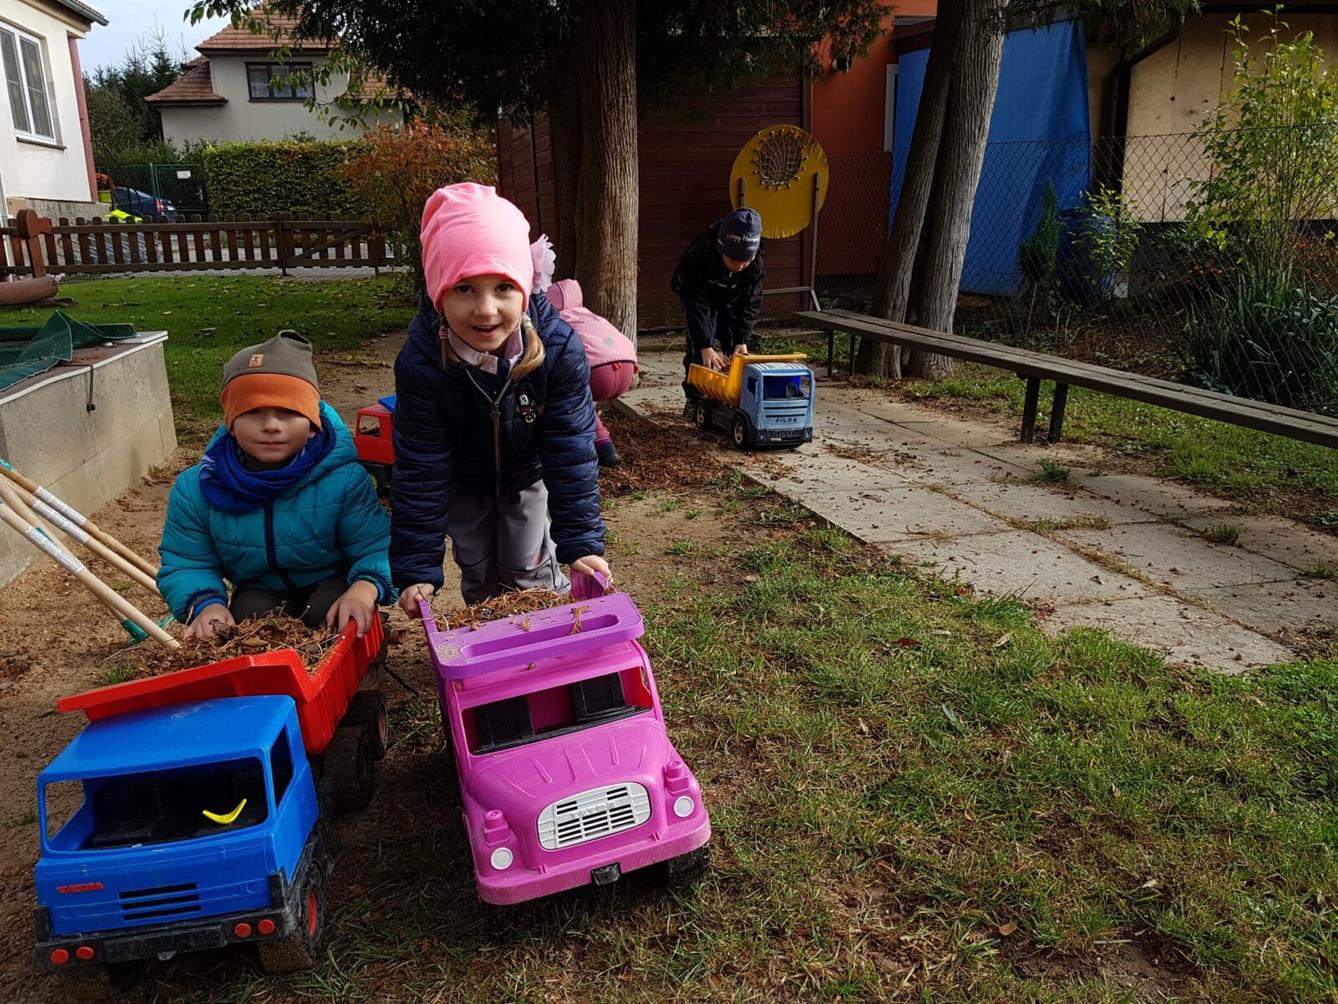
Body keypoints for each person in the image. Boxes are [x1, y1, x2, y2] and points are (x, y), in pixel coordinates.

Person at [392, 183, 608, 614]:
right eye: (465, 289)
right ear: (438, 293)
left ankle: (547, 630)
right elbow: (421, 466)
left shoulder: (558, 350)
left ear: (525, 287)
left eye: (503, 288)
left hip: (526, 474)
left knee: (527, 565)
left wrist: (581, 543)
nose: (487, 310)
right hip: (464, 480)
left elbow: (570, 450)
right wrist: (416, 567)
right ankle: (491, 638)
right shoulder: (423, 363)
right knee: (477, 569)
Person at [157, 331, 392, 640]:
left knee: (333, 611)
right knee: (247, 617)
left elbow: (376, 546)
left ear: (312, 425)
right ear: (231, 422)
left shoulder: (344, 479)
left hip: (332, 582)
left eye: (288, 412)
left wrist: (365, 588)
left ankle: (364, 665)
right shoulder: (197, 488)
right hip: (260, 587)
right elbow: (187, 561)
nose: (271, 425)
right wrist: (204, 604)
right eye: (253, 411)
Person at [532, 236, 639, 468]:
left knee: (572, 403)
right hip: (626, 366)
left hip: (596, 371)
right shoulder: (588, 314)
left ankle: (598, 448)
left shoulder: (555, 321)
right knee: (585, 403)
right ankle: (605, 447)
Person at [671, 207, 765, 411]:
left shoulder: (755, 264)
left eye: (745, 262)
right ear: (722, 249)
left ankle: (733, 395)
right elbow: (694, 304)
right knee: (701, 350)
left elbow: (750, 302)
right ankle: (695, 399)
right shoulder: (699, 254)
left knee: (736, 349)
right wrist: (705, 345)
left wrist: (742, 339)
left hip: (731, 300)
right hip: (701, 297)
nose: (740, 266)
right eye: (734, 260)